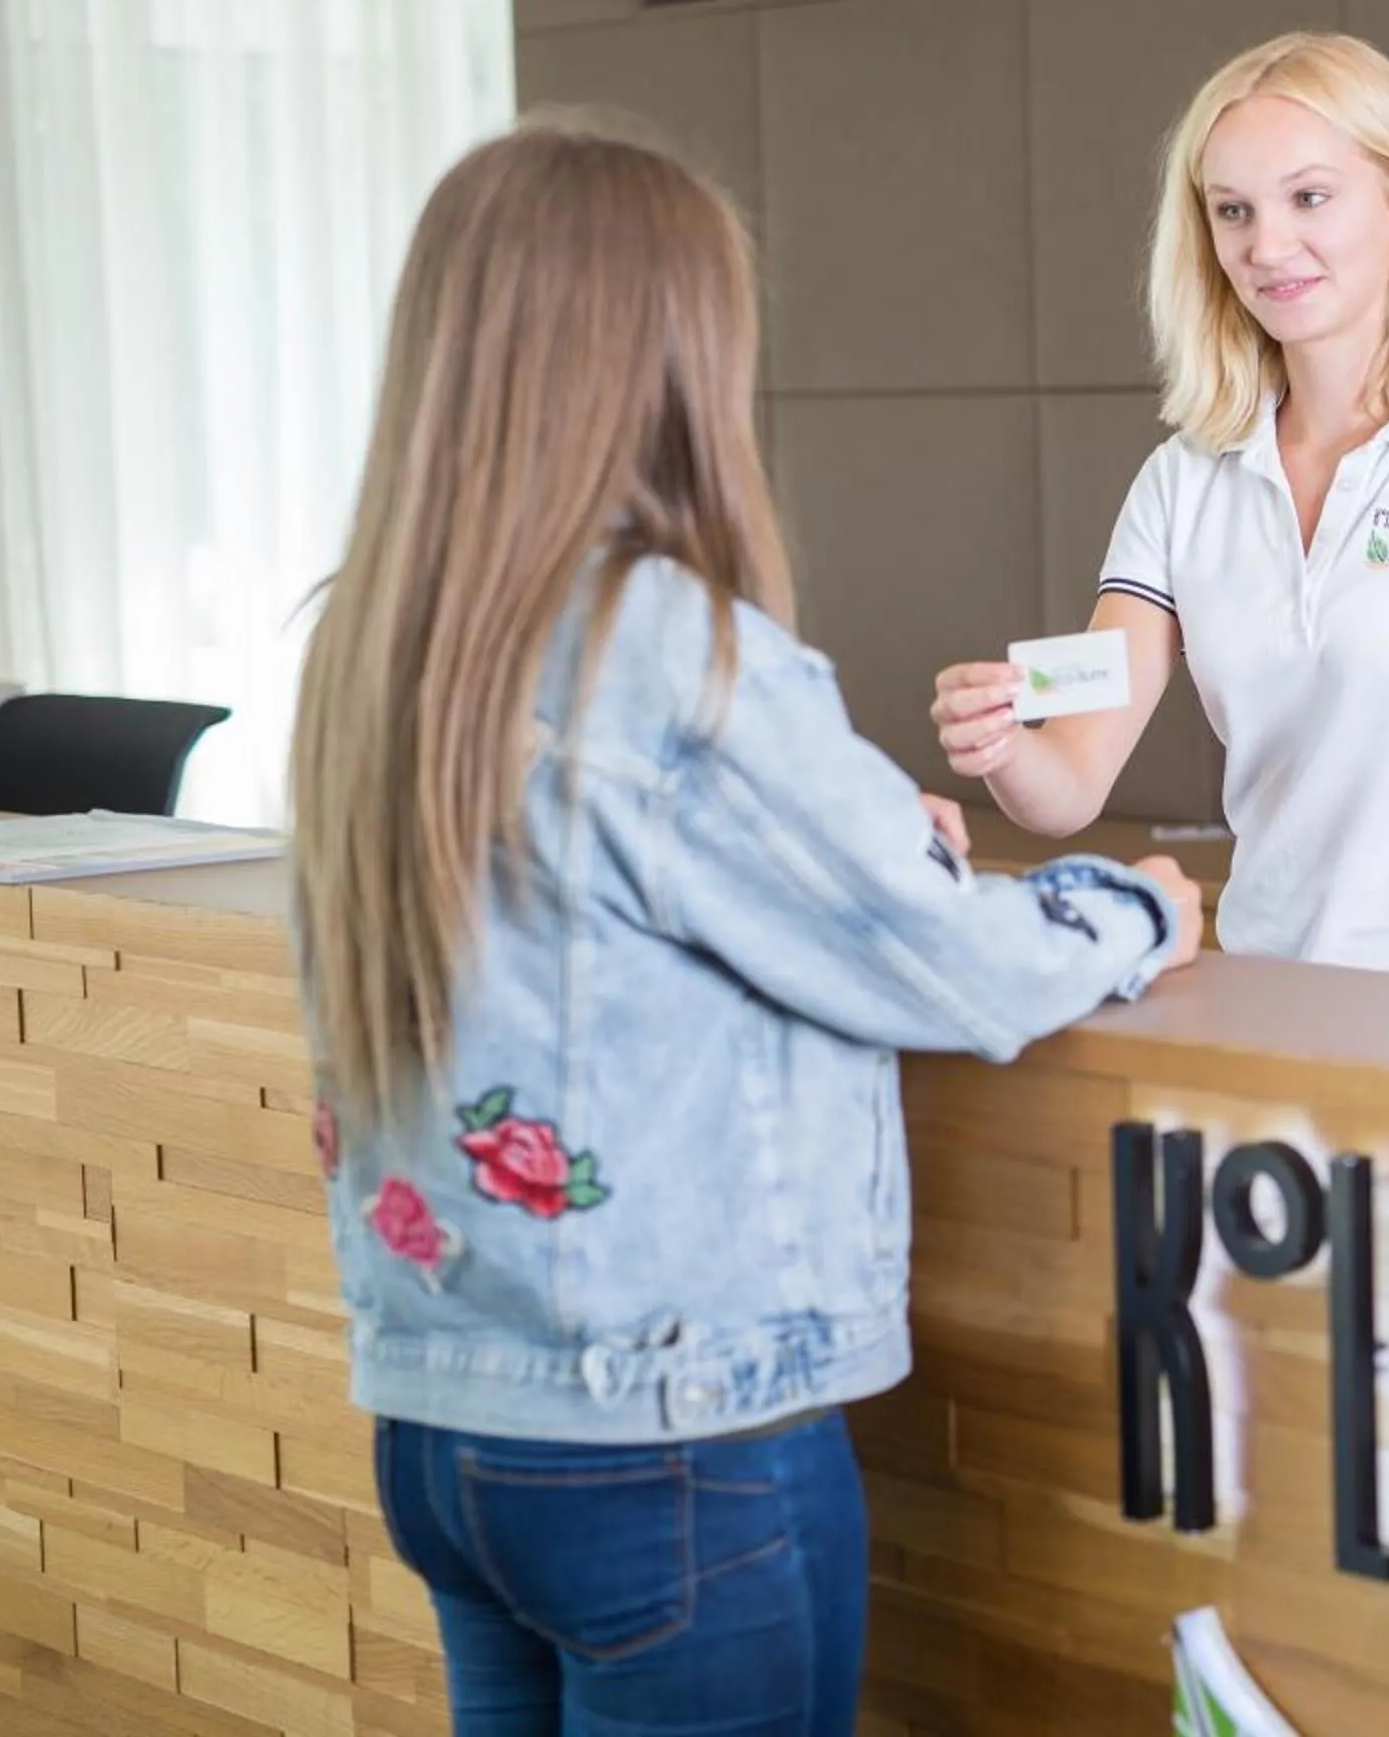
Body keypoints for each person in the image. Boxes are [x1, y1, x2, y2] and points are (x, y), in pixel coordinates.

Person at [287, 117, 1203, 1736]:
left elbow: (606, 906)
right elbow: (958, 971)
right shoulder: (664, 644)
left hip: (446, 1423)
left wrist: (862, 842)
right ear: (658, 355)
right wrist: (1136, 906)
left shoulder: (375, 635)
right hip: (670, 1439)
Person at [930, 32, 1389, 991]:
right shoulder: (1185, 480)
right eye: (1234, 211)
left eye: (1308, 198)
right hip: (1270, 1002)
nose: (1266, 247)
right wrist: (1002, 743)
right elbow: (1069, 788)